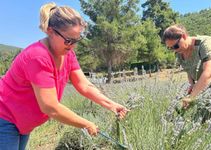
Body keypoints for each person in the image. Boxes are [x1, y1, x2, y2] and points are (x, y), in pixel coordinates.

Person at [0, 2, 128, 150]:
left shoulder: (67, 53)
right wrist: (85, 124)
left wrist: (111, 105)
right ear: (50, 31)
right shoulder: (38, 57)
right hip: (5, 118)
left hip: (21, 123)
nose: (72, 45)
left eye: (77, 40)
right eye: (68, 40)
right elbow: (51, 107)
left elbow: (84, 85)